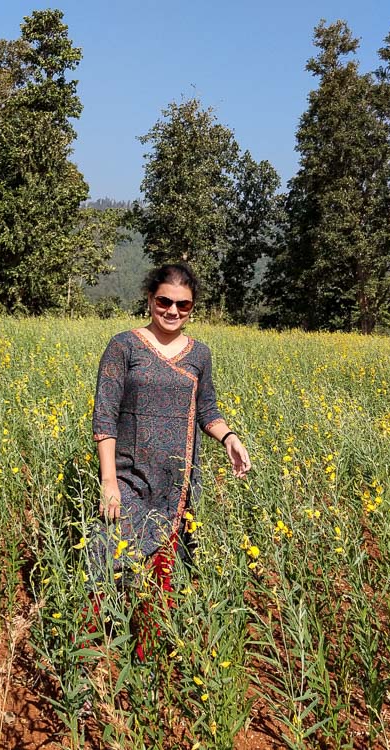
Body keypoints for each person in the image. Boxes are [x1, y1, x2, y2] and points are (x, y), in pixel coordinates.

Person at [86, 261, 251, 660]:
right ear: (150, 300)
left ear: (192, 308)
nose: (173, 311)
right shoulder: (123, 346)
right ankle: (91, 658)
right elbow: (104, 416)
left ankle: (147, 663)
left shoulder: (200, 355)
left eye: (183, 305)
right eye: (165, 301)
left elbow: (207, 409)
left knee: (163, 574)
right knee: (106, 560)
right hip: (129, 477)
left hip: (177, 483)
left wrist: (228, 438)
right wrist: (109, 481)